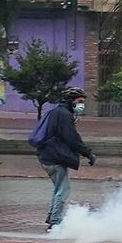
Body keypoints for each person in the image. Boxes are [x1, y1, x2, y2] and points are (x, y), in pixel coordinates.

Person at [33, 86, 96, 230]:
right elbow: (72, 138)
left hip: (48, 156)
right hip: (53, 158)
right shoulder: (64, 114)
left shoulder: (58, 112)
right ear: (71, 101)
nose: (81, 105)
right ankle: (55, 222)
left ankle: (52, 217)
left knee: (58, 188)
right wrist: (88, 153)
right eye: (79, 101)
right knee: (63, 189)